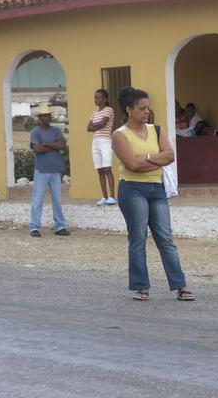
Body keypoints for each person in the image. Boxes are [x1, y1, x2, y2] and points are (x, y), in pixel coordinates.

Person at [112, 87, 194, 302]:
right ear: (129, 109)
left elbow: (169, 156)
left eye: (148, 107)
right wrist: (154, 159)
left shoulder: (157, 130)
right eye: (141, 108)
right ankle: (141, 287)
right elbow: (131, 165)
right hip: (132, 190)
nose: (146, 111)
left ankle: (180, 285)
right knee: (138, 238)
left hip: (157, 189)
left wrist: (145, 158)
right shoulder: (120, 135)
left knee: (166, 238)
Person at [29, 102, 70, 237]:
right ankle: (34, 227)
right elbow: (37, 149)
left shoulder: (56, 130)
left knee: (57, 199)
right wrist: (54, 145)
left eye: (48, 115)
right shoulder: (35, 132)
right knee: (37, 199)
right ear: (39, 118)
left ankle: (60, 226)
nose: (46, 118)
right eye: (44, 116)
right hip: (42, 169)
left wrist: (46, 144)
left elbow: (63, 145)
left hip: (55, 169)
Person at [87, 89, 116, 206]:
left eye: (98, 97)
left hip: (105, 141)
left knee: (107, 169)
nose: (96, 99)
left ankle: (112, 196)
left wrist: (94, 126)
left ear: (104, 99)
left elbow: (103, 124)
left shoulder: (109, 110)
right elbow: (88, 128)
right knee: (99, 170)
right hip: (95, 142)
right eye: (95, 97)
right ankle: (104, 196)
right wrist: (95, 126)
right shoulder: (94, 113)